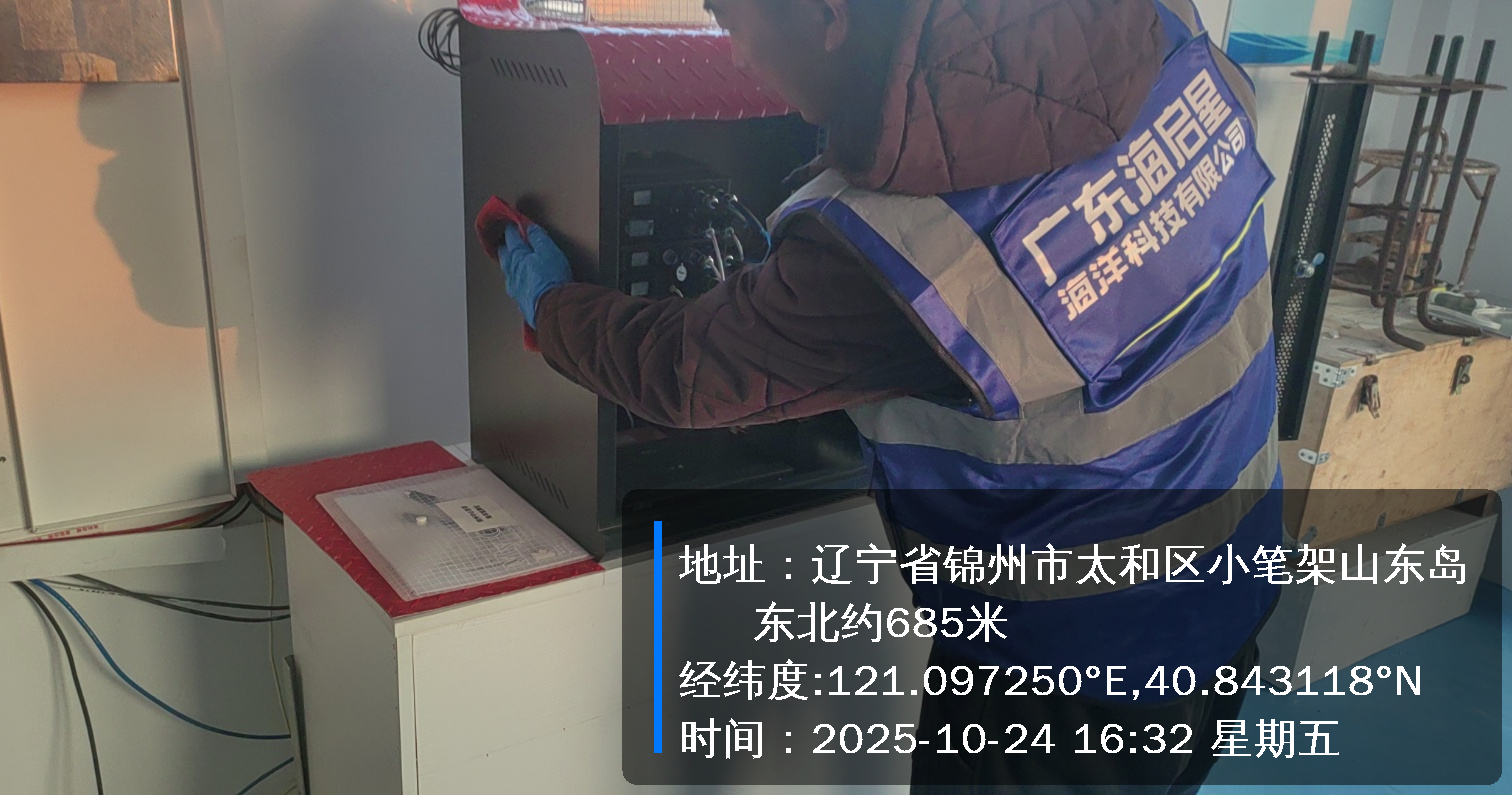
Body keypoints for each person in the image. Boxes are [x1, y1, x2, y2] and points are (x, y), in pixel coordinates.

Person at [496, 0, 1282, 790]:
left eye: (731, 21)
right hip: (1234, 575)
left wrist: (551, 305)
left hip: (1067, 677)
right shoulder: (1150, 22)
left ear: (826, 17)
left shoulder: (898, 241)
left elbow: (687, 370)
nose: (734, 57)